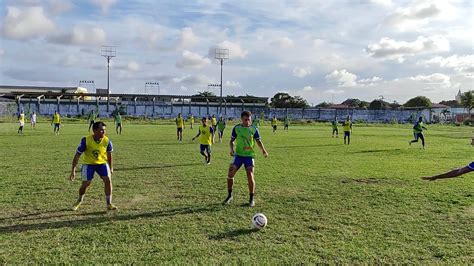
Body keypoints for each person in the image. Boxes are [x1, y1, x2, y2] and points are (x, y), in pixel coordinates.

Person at [223, 110, 269, 207]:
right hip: (238, 155)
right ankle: (229, 196)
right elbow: (231, 141)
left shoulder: (254, 129)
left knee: (250, 174)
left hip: (249, 155)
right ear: (241, 119)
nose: (247, 122)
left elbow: (258, 141)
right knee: (230, 173)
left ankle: (251, 199)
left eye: (249, 120)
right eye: (245, 120)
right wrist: (231, 149)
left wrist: (264, 151)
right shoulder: (237, 128)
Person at [69, 121, 117, 211]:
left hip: (102, 163)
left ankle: (109, 203)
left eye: (104, 130)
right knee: (86, 184)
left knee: (108, 179)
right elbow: (77, 155)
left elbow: (109, 155)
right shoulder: (86, 140)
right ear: (94, 130)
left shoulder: (107, 141)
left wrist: (111, 167)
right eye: (101, 130)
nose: (103, 132)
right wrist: (73, 170)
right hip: (88, 164)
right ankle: (79, 200)